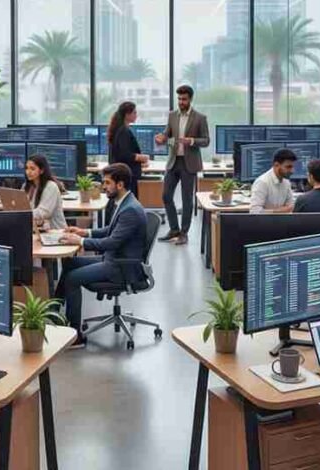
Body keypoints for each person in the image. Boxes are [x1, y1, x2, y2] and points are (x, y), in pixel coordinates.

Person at [56, 163, 147, 348]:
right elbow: (110, 231)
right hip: (114, 259)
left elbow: (111, 242)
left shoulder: (130, 209)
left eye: (107, 182)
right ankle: (53, 314)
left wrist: (79, 242)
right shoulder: (125, 202)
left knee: (72, 279)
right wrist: (84, 232)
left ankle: (75, 337)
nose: (103, 186)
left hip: (121, 267)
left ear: (120, 185)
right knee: (70, 263)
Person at [155, 85, 210, 245]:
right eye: (179, 99)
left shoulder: (200, 118)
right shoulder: (172, 115)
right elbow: (167, 133)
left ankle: (184, 233)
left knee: (187, 200)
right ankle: (174, 229)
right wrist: (162, 138)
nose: (181, 102)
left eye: (184, 99)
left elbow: (206, 140)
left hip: (189, 163)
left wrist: (191, 141)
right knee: (166, 196)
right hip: (173, 162)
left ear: (190, 99)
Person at [107, 101, 150, 197]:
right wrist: (142, 158)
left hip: (124, 173)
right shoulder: (123, 131)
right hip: (127, 175)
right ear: (127, 114)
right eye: (134, 112)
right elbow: (124, 155)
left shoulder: (120, 129)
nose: (136, 115)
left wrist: (139, 163)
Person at [22, 154, 67, 230]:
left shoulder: (51, 187)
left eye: (32, 169)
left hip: (55, 232)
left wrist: (22, 215)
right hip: (36, 230)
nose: (28, 172)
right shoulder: (27, 186)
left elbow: (44, 213)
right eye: (27, 168)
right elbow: (22, 206)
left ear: (42, 170)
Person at [249, 148, 296, 214]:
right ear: (276, 165)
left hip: (282, 222)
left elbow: (290, 207)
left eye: (293, 167)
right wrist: (280, 211)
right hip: (265, 223)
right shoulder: (262, 182)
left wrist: (285, 210)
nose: (292, 171)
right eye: (288, 167)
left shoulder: (286, 182)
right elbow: (254, 211)